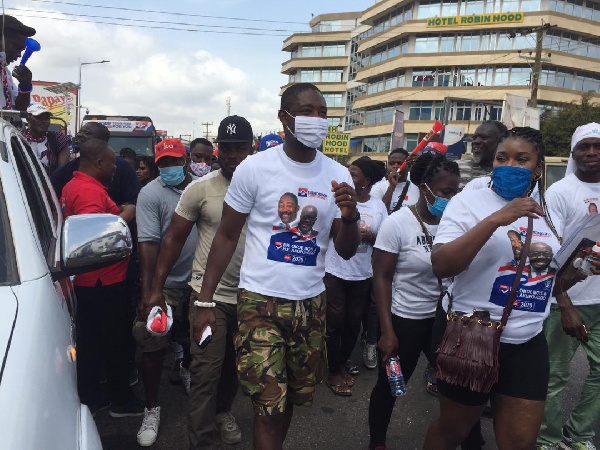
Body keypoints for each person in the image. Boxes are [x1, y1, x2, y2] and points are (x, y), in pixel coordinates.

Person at [186, 83, 359, 450]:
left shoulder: (338, 175)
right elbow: (227, 235)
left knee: (290, 401)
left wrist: (350, 215)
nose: (317, 120)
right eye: (308, 111)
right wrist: (204, 302)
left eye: (323, 113)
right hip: (260, 303)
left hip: (311, 305)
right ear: (285, 118)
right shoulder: (256, 168)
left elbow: (344, 251)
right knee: (267, 405)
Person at [423, 127, 580, 449]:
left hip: (526, 340)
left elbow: (547, 282)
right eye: (502, 158)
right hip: (472, 336)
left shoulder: (550, 209)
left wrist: (578, 272)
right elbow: (441, 265)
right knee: (454, 431)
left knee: (521, 442)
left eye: (522, 159)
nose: (510, 165)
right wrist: (497, 219)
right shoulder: (469, 201)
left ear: (538, 167)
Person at [140, 116, 254, 448]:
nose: (233, 155)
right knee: (205, 374)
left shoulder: (266, 188)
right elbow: (173, 240)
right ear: (219, 148)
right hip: (209, 297)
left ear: (251, 149)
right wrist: (156, 289)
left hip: (252, 297)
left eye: (240, 148)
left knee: (235, 370)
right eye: (227, 148)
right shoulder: (199, 189)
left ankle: (223, 413)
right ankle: (200, 442)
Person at [368, 153, 460, 449]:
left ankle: (467, 437)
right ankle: (377, 442)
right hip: (405, 321)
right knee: (391, 385)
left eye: (454, 191)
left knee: (456, 387)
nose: (451, 198)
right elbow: (381, 277)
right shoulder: (398, 224)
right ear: (425, 187)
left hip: (444, 323)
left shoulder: (457, 223)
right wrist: (387, 331)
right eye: (445, 192)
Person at [60, 138, 142, 418]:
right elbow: (97, 240)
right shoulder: (87, 193)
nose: (115, 168)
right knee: (113, 342)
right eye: (111, 163)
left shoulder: (80, 186)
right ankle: (120, 400)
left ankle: (94, 397)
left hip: (94, 281)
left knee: (94, 342)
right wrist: (125, 216)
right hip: (101, 281)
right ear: (98, 164)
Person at [537, 122, 600, 450]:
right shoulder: (560, 192)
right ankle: (546, 439)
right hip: (567, 300)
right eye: (584, 147)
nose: (591, 153)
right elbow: (547, 252)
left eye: (597, 146)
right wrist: (563, 303)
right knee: (554, 378)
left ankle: (577, 434)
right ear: (574, 153)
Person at [133, 138, 198, 446]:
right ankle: (151, 408)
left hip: (199, 280)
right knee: (151, 340)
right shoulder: (150, 193)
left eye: (174, 161)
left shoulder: (200, 187)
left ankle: (185, 368)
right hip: (166, 283)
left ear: (184, 159)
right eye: (163, 164)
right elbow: (148, 243)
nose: (169, 168)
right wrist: (149, 292)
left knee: (195, 337)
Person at [324, 156, 388, 397]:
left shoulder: (378, 207)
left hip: (363, 273)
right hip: (335, 271)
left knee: (353, 324)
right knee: (334, 322)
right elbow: (331, 231)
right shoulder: (337, 201)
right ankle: (332, 370)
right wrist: (351, 228)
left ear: (367, 181)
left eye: (354, 174)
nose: (348, 178)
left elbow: (383, 238)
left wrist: (368, 236)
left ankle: (341, 362)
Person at [458, 121, 508, 190]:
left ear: (501, 142)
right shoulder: (457, 168)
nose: (476, 141)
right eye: (474, 138)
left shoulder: (509, 173)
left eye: (484, 138)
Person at [0, 15, 35, 111]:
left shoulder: (5, 72)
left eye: (22, 50)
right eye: (16, 47)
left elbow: (20, 109)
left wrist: (25, 86)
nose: (19, 55)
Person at [25, 102, 70, 174]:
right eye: (39, 117)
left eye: (47, 118)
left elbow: (62, 171)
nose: (44, 121)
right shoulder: (19, 137)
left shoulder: (58, 139)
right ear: (28, 118)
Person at [371, 148, 420, 213]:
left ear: (408, 166)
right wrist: (391, 187)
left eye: (400, 163)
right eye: (391, 163)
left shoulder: (417, 188)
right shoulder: (378, 188)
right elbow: (379, 213)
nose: (395, 166)